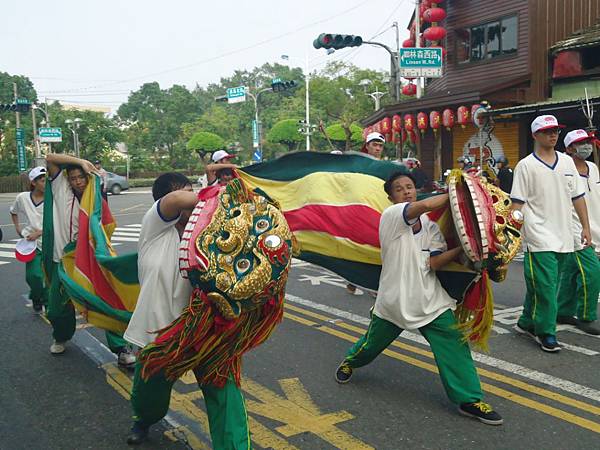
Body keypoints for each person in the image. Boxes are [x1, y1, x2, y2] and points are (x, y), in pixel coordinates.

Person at [334, 172, 502, 425]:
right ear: (391, 198)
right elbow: (423, 205)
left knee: (454, 345)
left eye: (410, 187)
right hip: (394, 302)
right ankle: (351, 361)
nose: (406, 191)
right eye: (399, 189)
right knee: (370, 346)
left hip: (430, 302)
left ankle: (469, 399)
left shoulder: (432, 228)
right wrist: (464, 197)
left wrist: (469, 248)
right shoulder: (391, 217)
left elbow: (433, 263)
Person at [124, 173, 251, 448]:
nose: (194, 202)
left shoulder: (210, 235)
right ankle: (143, 420)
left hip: (207, 331)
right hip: (160, 334)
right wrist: (219, 194)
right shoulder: (155, 229)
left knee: (225, 395)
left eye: (195, 193)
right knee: (150, 397)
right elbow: (176, 199)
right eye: (187, 195)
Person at [44, 153, 136, 368]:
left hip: (89, 262)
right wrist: (80, 162)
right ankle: (61, 336)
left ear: (88, 179)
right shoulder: (61, 190)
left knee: (103, 302)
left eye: (81, 177)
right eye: (73, 177)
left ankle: (121, 349)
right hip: (63, 261)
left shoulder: (96, 201)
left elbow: (105, 232)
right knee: (57, 309)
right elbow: (50, 158)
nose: (77, 181)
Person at [511, 115, 591, 352]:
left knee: (546, 284)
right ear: (535, 135)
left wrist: (585, 227)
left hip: (565, 235)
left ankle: (526, 321)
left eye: (555, 131)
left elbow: (578, 197)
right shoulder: (526, 165)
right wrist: (514, 234)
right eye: (547, 131)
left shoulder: (567, 162)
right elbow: (517, 204)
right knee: (546, 286)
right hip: (538, 235)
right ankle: (546, 332)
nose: (552, 135)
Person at [556, 129, 600, 335]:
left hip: (595, 228)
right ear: (569, 148)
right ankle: (586, 316)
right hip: (575, 229)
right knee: (592, 273)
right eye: (581, 143)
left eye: (588, 142)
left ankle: (563, 310)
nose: (587, 147)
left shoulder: (593, 167)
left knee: (573, 271)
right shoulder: (563, 169)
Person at [10, 166, 48, 312]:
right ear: (33, 182)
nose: (46, 184)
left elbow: (59, 221)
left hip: (50, 242)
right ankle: (36, 296)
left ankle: (44, 301)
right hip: (31, 243)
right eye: (43, 181)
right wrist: (17, 228)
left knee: (50, 277)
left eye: (47, 180)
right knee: (33, 276)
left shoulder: (52, 199)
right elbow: (13, 212)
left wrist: (40, 232)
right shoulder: (23, 198)